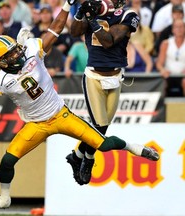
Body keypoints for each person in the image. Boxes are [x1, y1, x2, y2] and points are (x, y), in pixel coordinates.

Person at [0, 0, 159, 214]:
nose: (16, 55)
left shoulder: (32, 50)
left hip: (61, 114)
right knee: (6, 161)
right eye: (10, 55)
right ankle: (4, 198)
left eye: (16, 51)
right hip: (36, 123)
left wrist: (70, 6)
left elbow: (57, 28)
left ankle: (124, 150)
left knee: (102, 137)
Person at [66, 0, 143, 185]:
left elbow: (108, 41)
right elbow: (74, 32)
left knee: (103, 126)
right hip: (93, 75)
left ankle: (77, 155)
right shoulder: (94, 9)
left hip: (115, 77)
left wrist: (91, 19)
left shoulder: (128, 15)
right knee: (99, 125)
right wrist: (80, 13)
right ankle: (87, 159)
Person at [155, 18, 185, 97]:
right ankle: (161, 108)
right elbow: (159, 64)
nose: (179, 29)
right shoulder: (166, 43)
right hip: (168, 75)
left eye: (181, 27)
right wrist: (162, 70)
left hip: (183, 76)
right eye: (176, 27)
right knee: (161, 82)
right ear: (173, 30)